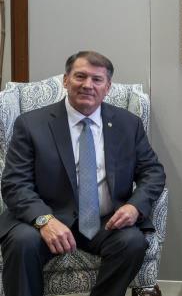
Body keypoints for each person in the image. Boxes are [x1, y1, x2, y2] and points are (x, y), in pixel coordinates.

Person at [0, 51, 166, 296]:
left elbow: (152, 172)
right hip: (47, 217)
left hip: (104, 221)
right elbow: (15, 183)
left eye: (97, 80)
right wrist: (44, 220)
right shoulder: (31, 123)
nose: (88, 85)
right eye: (80, 76)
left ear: (107, 87)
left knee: (132, 242)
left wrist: (134, 206)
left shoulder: (128, 124)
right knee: (22, 242)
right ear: (66, 80)